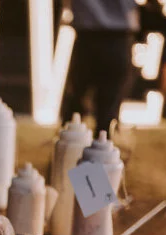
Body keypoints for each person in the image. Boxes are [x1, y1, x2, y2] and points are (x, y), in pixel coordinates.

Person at [61, 0, 140, 137]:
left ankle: (67, 147)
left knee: (76, 98)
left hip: (88, 35)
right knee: (108, 103)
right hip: (117, 37)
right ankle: (102, 146)